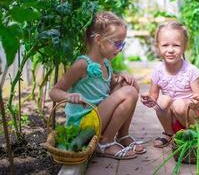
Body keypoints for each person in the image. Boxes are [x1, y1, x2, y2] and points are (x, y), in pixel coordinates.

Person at [49, 11, 146, 160]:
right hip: (83, 126)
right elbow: (54, 92)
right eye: (117, 43)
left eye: (123, 43)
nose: (120, 48)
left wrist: (122, 76)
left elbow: (111, 86)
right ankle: (105, 143)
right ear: (99, 40)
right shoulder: (82, 64)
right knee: (129, 93)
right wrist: (68, 96)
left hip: (99, 117)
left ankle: (122, 135)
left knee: (130, 85)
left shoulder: (106, 63)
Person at [140, 21, 199, 148]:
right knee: (162, 100)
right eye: (165, 45)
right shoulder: (157, 71)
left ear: (184, 46)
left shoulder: (191, 71)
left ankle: (194, 135)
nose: (170, 50)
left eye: (176, 45)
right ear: (157, 46)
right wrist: (149, 99)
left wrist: (194, 102)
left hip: (193, 119)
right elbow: (153, 97)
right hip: (173, 121)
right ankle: (169, 133)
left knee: (179, 104)